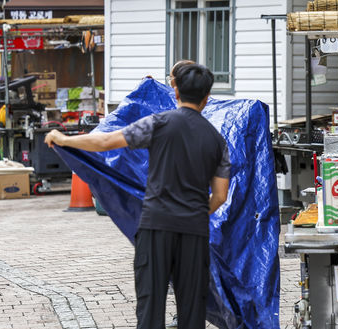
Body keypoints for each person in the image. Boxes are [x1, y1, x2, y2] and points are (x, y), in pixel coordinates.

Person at [44, 64, 230, 328]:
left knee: (150, 305)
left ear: (176, 93)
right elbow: (220, 196)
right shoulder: (217, 140)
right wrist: (196, 212)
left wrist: (63, 139)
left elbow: (106, 142)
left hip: (156, 227)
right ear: (206, 98)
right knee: (191, 309)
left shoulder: (159, 123)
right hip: (194, 231)